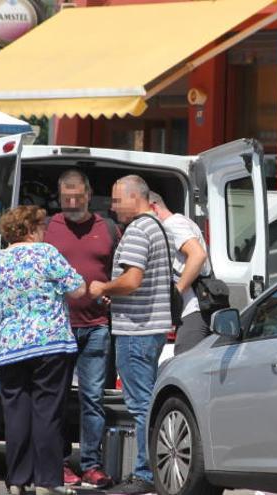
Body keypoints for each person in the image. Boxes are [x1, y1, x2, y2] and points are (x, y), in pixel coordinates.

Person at [0, 205, 86, 495]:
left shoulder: (0, 261)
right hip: (50, 344)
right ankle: (47, 481)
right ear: (31, 230)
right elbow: (78, 288)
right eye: (41, 227)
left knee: (17, 414)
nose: (44, 232)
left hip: (12, 348)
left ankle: (17, 480)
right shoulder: (46, 253)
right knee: (47, 412)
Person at [88, 175, 171, 494]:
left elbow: (133, 280)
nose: (113, 206)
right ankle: (153, 469)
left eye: (117, 199)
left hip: (137, 330)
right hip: (151, 327)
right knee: (146, 400)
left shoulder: (138, 230)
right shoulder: (157, 227)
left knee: (140, 405)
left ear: (136, 198)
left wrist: (104, 287)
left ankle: (146, 474)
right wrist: (117, 294)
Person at [43, 169, 116, 489]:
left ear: (89, 195)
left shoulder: (108, 228)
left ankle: (91, 465)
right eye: (65, 197)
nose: (71, 202)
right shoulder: (47, 228)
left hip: (96, 326)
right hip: (57, 327)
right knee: (55, 398)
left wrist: (114, 291)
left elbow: (121, 268)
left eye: (77, 196)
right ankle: (57, 463)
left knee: (93, 398)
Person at [149, 191, 212, 355]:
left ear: (153, 207)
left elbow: (198, 255)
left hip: (192, 308)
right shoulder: (181, 221)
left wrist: (177, 292)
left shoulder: (172, 224)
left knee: (184, 364)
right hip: (194, 308)